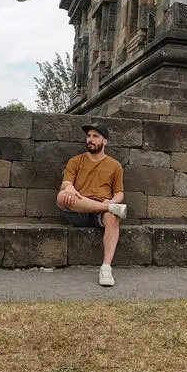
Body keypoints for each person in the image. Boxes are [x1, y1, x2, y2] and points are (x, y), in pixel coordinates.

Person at [57, 122, 127, 287]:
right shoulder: (75, 161)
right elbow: (65, 184)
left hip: (99, 214)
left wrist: (113, 202)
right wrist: (70, 188)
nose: (90, 139)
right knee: (61, 196)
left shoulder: (115, 165)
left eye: (95, 136)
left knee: (112, 216)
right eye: (88, 136)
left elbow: (119, 193)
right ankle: (108, 208)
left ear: (105, 141)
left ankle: (106, 268)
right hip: (77, 209)